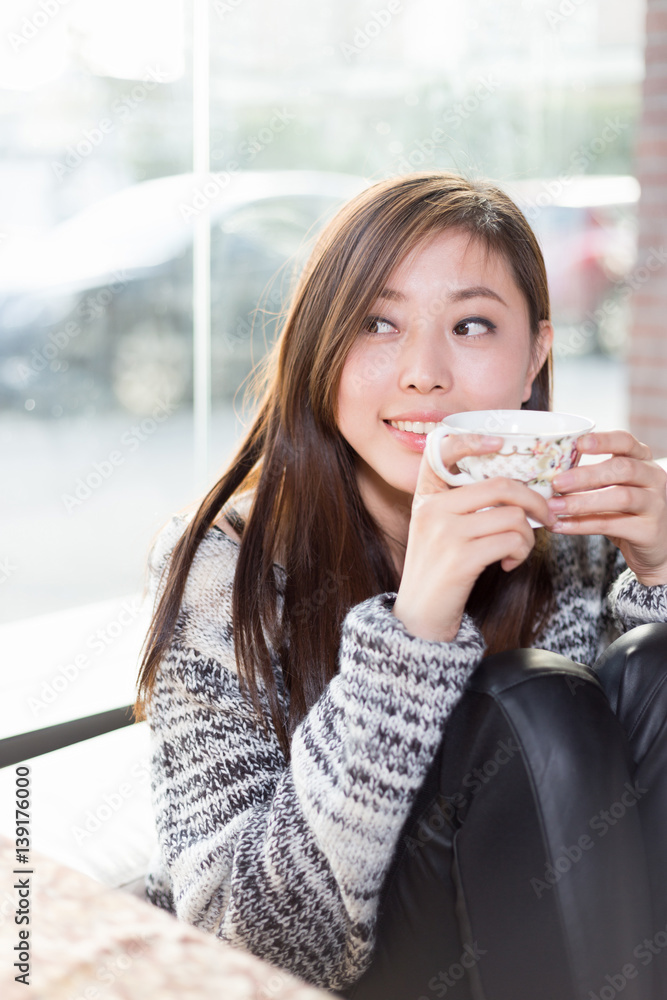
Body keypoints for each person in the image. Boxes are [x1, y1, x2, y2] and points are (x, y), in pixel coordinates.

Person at [135, 172, 667, 998]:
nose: (422, 372)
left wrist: (662, 575)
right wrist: (413, 629)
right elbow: (238, 943)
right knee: (533, 699)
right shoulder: (222, 568)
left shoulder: (579, 544)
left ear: (535, 356)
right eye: (377, 323)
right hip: (361, 975)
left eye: (471, 324)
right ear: (320, 350)